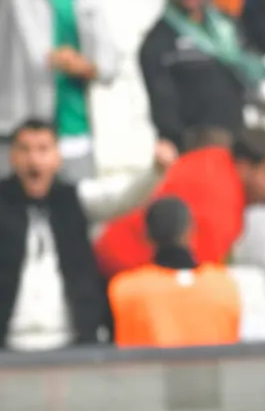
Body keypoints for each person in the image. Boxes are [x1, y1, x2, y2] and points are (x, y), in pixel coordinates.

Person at [95, 127, 265, 279]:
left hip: (113, 254)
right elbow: (199, 278)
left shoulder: (216, 158)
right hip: (126, 270)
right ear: (246, 166)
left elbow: (262, 193)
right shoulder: (221, 208)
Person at [0, 121, 172, 351]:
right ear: (12, 157)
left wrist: (155, 171)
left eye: (43, 149)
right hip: (8, 345)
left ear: (57, 157)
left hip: (71, 343)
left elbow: (121, 198)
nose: (34, 160)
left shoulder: (75, 199)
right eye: (25, 149)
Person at [0, 0, 119, 181]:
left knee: (76, 201)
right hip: (20, 130)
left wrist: (84, 66)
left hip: (73, 126)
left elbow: (109, 63)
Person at [140, 0, 265, 152]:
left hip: (238, 144)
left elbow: (244, 74)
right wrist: (170, 143)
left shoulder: (229, 28)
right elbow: (163, 109)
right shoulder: (158, 41)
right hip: (195, 150)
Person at [110, 197, 241, 348]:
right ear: (190, 231)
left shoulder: (125, 290)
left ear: (146, 236)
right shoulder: (224, 287)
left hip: (148, 364)